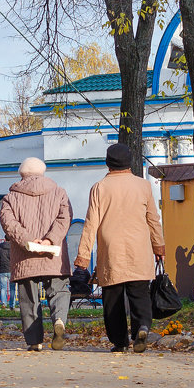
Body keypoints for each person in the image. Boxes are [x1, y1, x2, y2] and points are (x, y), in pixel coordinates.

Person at [74, 143, 165, 353]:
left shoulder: (99, 188)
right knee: (139, 292)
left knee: (112, 297)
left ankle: (120, 342)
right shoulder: (143, 186)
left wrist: (83, 257)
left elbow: (90, 224)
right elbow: (153, 219)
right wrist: (158, 247)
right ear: (129, 162)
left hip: (111, 247)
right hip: (139, 247)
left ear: (108, 164)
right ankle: (142, 326)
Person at [0, 157, 73, 351]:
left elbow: (9, 223)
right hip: (53, 255)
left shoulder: (10, 197)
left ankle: (34, 341)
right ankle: (59, 319)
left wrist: (29, 242)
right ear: (43, 172)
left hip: (25, 256)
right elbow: (65, 219)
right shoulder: (59, 193)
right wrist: (49, 240)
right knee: (59, 290)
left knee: (28, 298)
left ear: (21, 174)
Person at [0, 239, 15, 309]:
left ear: (4, 239)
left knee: (3, 288)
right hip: (11, 270)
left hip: (2, 271)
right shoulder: (13, 248)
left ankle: (4, 303)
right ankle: (12, 305)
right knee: (12, 288)